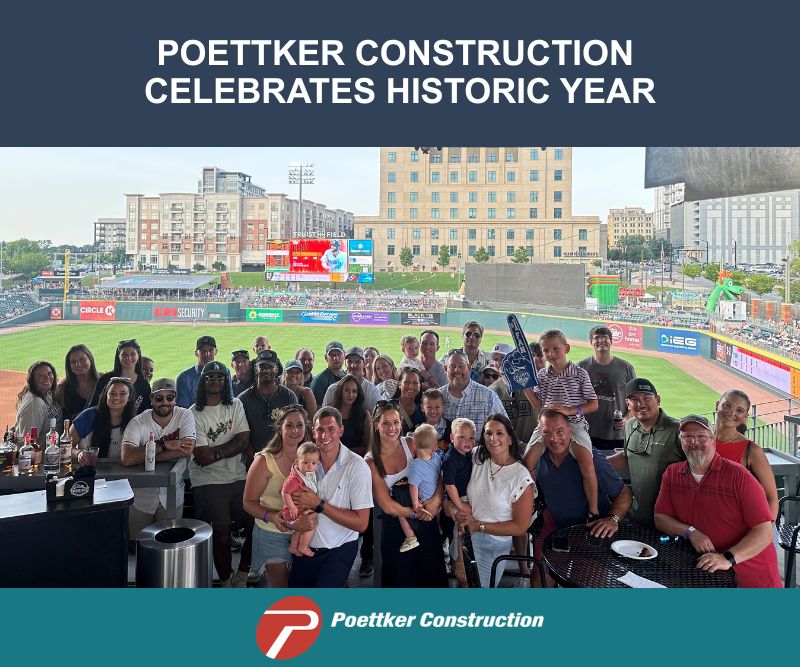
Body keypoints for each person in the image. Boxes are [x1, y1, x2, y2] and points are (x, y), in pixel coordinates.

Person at [654, 414, 781, 588]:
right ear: (680, 442)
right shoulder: (672, 473)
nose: (694, 442)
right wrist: (691, 532)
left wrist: (727, 558)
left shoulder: (739, 476)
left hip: (750, 573)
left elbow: (765, 532)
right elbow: (661, 518)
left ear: (713, 441)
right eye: (688, 437)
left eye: (701, 436)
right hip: (705, 572)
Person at [532, 409, 633, 586]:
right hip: (555, 527)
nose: (554, 438)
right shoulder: (538, 457)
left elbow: (624, 493)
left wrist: (612, 518)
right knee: (539, 578)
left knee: (583, 584)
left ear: (570, 431)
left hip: (590, 531)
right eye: (547, 432)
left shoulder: (593, 459)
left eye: (560, 431)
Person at [287, 407, 373, 588]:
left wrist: (319, 504)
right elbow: (290, 505)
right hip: (305, 549)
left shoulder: (357, 466)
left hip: (338, 550)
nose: (325, 435)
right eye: (320, 430)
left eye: (331, 429)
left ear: (341, 431)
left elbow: (362, 524)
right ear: (313, 432)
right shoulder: (303, 463)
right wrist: (294, 525)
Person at [366, 401, 447, 587]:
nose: (391, 428)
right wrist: (416, 513)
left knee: (432, 578)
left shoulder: (411, 444)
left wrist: (435, 501)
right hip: (396, 528)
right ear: (376, 425)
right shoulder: (371, 461)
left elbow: (439, 471)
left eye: (395, 422)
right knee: (401, 581)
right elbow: (386, 504)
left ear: (401, 423)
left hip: (427, 521)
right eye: (385, 423)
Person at [523, 329, 600, 522]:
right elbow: (539, 405)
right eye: (546, 350)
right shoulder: (542, 375)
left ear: (566, 348)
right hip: (546, 425)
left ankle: (593, 510)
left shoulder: (580, 374)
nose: (551, 354)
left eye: (555, 349)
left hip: (574, 424)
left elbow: (593, 404)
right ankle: (528, 504)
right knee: (526, 464)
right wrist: (524, 386)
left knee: (587, 463)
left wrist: (569, 410)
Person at [189, 361, 252, 588]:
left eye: (219, 377)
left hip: (238, 476)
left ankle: (242, 573)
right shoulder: (193, 413)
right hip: (208, 481)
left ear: (226, 381)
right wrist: (230, 446)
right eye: (210, 377)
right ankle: (225, 581)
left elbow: (243, 440)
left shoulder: (235, 405)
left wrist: (214, 453)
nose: (215, 381)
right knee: (222, 532)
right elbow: (202, 458)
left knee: (260, 523)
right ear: (202, 381)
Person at [454, 413, 535, 588]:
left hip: (493, 544)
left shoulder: (520, 477)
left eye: (499, 433)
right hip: (464, 536)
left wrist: (478, 526)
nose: (493, 438)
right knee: (463, 586)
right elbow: (447, 470)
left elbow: (520, 526)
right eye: (488, 433)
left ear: (510, 439)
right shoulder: (476, 457)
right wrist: (448, 503)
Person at [243, 405, 310, 587]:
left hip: (305, 533)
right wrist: (272, 517)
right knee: (283, 586)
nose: (295, 430)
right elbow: (248, 502)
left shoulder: (312, 458)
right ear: (280, 428)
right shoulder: (264, 461)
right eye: (289, 425)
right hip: (272, 534)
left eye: (299, 425)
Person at [120, 378, 196, 537]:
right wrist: (164, 445)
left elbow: (186, 450)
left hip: (173, 495)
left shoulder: (185, 415)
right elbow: (127, 458)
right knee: (138, 544)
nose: (165, 402)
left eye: (170, 397)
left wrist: (143, 456)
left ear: (175, 398)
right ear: (151, 400)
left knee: (169, 545)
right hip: (141, 497)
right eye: (159, 398)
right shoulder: (138, 422)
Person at [607, 378, 684, 526]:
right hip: (638, 515)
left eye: (647, 398)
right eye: (634, 399)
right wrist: (596, 464)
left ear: (658, 399)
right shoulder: (630, 426)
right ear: (628, 404)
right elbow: (627, 457)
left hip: (670, 520)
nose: (641, 404)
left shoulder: (677, 429)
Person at [713, 389, 779, 517]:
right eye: (727, 405)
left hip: (742, 525)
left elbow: (771, 498)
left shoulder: (752, 450)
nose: (732, 412)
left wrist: (766, 532)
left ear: (745, 417)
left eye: (739, 410)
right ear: (717, 405)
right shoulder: (700, 440)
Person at [577, 325, 636, 449]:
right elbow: (574, 398)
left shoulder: (626, 368)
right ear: (591, 342)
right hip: (586, 433)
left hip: (617, 435)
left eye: (605, 338)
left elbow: (635, 401)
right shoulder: (582, 367)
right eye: (597, 338)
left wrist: (626, 419)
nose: (601, 341)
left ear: (611, 341)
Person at [239, 350, 298, 455]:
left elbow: (295, 429)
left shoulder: (289, 396)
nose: (266, 370)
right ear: (256, 369)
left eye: (270, 367)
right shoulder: (243, 399)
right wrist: (255, 458)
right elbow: (241, 435)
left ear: (277, 369)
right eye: (262, 367)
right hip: (253, 458)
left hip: (283, 456)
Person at [442, 417, 476, 586]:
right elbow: (449, 485)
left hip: (466, 495)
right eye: (462, 437)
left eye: (471, 438)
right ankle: (460, 561)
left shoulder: (467, 454)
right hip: (457, 498)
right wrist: (460, 504)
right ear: (452, 438)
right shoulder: (451, 459)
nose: (467, 442)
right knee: (461, 526)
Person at [441, 349, 507, 436]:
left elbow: (505, 428)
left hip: (479, 449)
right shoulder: (438, 395)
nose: (457, 370)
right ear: (445, 369)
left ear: (469, 368)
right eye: (452, 366)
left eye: (461, 366)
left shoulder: (489, 396)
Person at [70, 376, 136, 460]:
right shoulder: (87, 416)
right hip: (89, 469)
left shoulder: (134, 422)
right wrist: (79, 453)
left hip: (123, 471)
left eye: (122, 394)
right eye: (112, 393)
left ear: (129, 397)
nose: (116, 397)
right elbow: (65, 447)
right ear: (106, 395)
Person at [489, 342, 542, 444]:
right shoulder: (492, 390)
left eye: (503, 357)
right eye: (496, 359)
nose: (499, 362)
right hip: (506, 449)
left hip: (535, 447)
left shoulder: (533, 383)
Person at [280, 442, 321, 557]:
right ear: (297, 462)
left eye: (314, 463)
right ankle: (303, 546)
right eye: (306, 462)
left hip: (300, 510)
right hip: (294, 511)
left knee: (298, 530)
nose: (310, 466)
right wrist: (291, 507)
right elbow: (285, 492)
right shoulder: (294, 478)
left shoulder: (308, 475)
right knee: (311, 525)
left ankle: (293, 547)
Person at [90, 339, 151, 414]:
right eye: (124, 354)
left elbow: (146, 411)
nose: (128, 357)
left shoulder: (144, 384)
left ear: (138, 357)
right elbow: (93, 406)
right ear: (118, 357)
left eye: (133, 354)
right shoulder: (105, 379)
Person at [15, 360, 62, 446]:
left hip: (51, 453)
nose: (47, 378)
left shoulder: (46, 392)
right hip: (42, 457)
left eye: (49, 373)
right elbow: (28, 442)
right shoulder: (34, 405)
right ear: (32, 380)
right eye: (40, 376)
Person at [322, 347, 382, 413]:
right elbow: (323, 416)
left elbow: (378, 417)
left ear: (364, 363)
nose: (353, 366)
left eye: (357, 362)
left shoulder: (372, 391)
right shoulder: (332, 389)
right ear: (345, 363)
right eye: (349, 362)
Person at [176, 335, 231, 408]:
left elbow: (229, 399)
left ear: (216, 351)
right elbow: (183, 410)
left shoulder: (225, 372)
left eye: (211, 350)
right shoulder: (184, 378)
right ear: (196, 353)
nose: (207, 354)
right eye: (203, 351)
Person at [55, 344, 100, 423]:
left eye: (82, 359)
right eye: (73, 362)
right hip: (72, 434)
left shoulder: (104, 381)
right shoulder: (62, 388)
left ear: (90, 359)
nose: (78, 364)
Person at [310, 341, 345, 407]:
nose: (336, 358)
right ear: (326, 358)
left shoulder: (347, 377)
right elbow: (318, 408)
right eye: (332, 355)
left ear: (344, 355)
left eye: (339, 354)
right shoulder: (319, 380)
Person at [395, 366, 425, 433]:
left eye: (415, 383)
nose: (410, 386)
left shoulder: (423, 410)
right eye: (407, 382)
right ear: (399, 384)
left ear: (420, 386)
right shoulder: (390, 407)